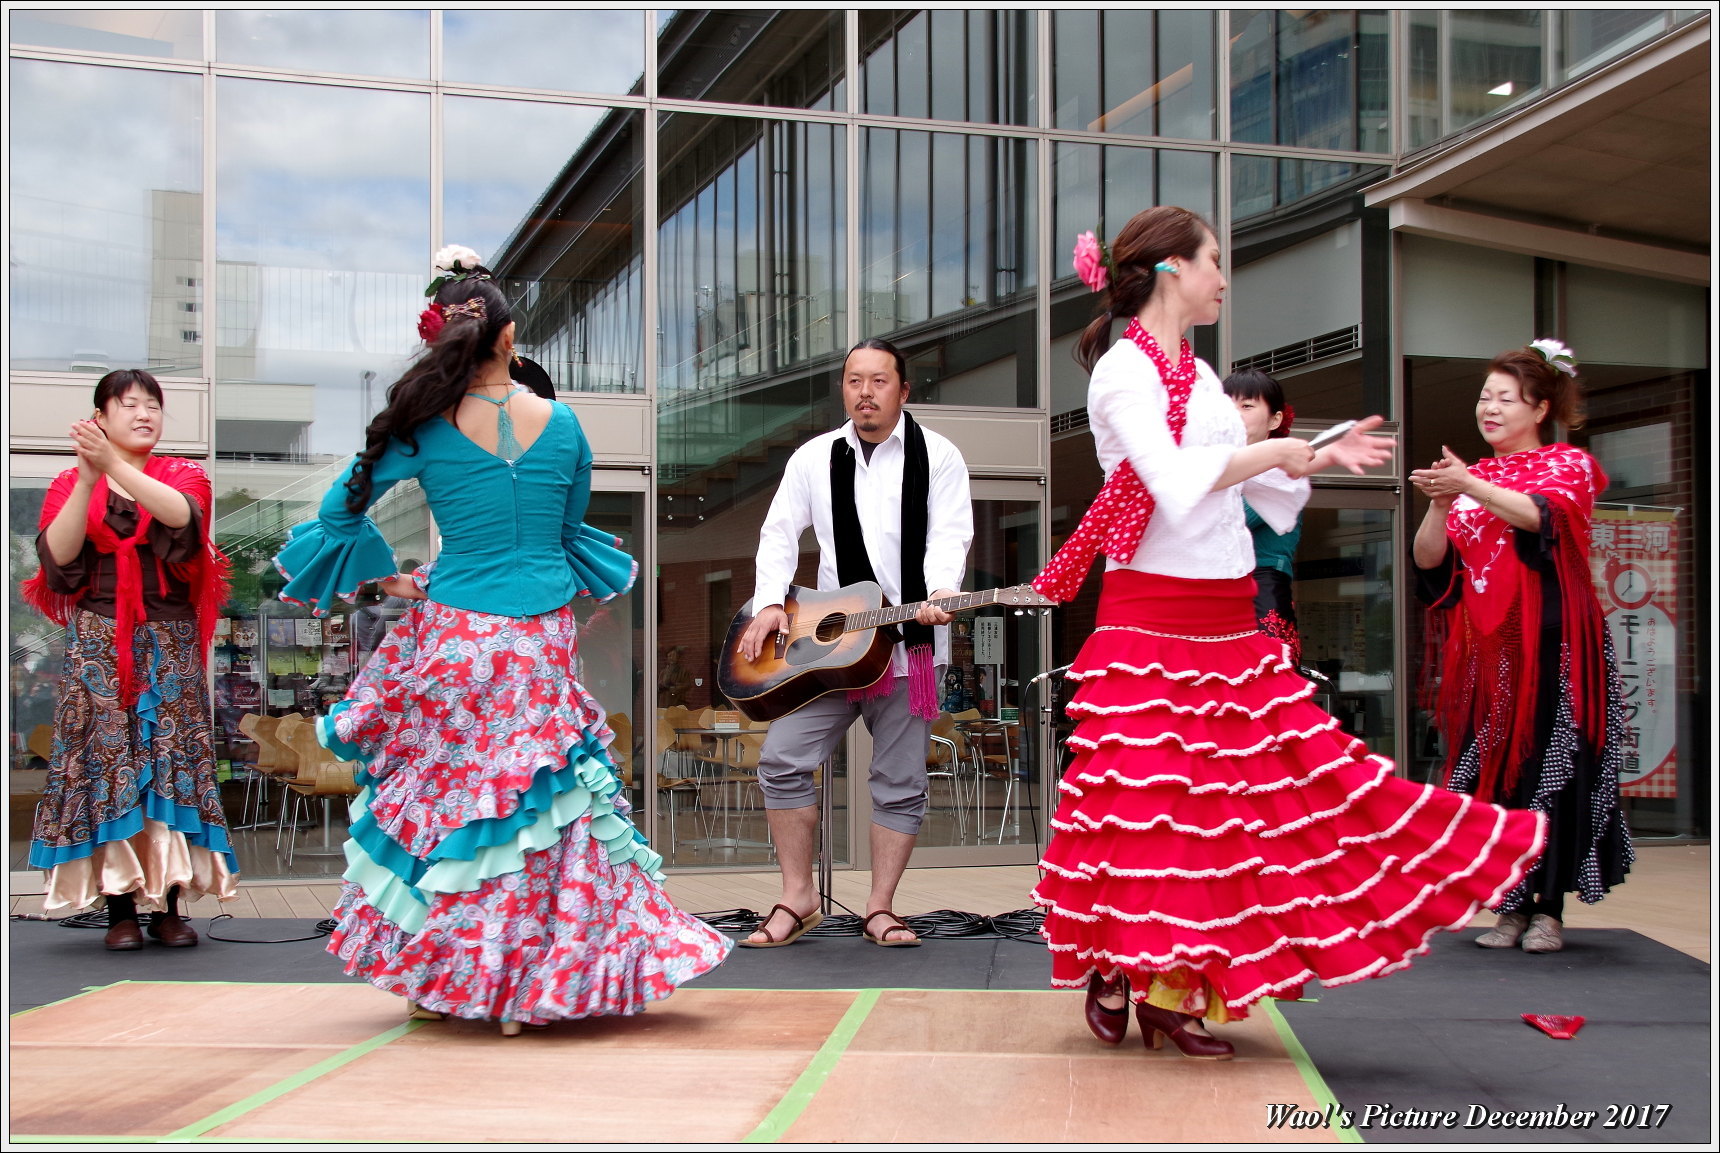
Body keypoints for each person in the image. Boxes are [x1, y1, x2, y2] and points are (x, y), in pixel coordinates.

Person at [1030, 210, 1546, 1060]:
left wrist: (1310, 453)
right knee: (1151, 809)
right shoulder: (1126, 372)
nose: (1224, 278)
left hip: (1228, 609)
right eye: (1214, 262)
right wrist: (1276, 455)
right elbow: (1174, 479)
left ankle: (1169, 983)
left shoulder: (1196, 373)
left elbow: (1241, 483)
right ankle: (1118, 964)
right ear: (1171, 271)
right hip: (1151, 615)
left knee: (1241, 807)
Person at [274, 245, 730, 1033]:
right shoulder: (566, 424)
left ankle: (442, 976)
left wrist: (397, 579)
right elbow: (565, 528)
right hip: (540, 636)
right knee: (537, 808)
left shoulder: (420, 428)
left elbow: (341, 512)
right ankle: (523, 986)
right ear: (511, 336)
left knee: (453, 805)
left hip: (457, 632)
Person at [736, 338, 973, 948]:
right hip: (829, 651)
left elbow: (951, 537)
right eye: (853, 381)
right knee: (782, 761)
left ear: (904, 389)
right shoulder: (814, 458)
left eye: (879, 381)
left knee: (899, 780)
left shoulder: (940, 457)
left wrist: (944, 592)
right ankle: (798, 897)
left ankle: (880, 907)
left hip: (907, 651)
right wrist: (768, 602)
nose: (865, 392)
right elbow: (779, 532)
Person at [1410, 341, 1632, 954]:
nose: (1490, 407)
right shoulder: (1473, 480)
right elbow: (1431, 562)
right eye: (1485, 397)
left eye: (1505, 398)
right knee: (1496, 777)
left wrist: (1469, 485)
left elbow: (1543, 519)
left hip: (1557, 646)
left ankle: (1549, 910)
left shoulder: (1569, 465)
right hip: (1491, 652)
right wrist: (1438, 501)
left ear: (1539, 408)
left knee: (1552, 772)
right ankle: (1508, 904)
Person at [24, 369, 238, 949]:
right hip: (98, 641)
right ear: (101, 417)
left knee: (169, 761)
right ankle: (120, 910)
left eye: (153, 406)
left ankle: (168, 907)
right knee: (107, 763)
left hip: (168, 641)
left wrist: (112, 466)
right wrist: (89, 477)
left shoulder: (183, 475)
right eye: (129, 405)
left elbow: (182, 520)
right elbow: (58, 557)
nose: (144, 414)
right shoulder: (71, 480)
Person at [1222, 368, 1305, 666]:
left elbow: (1227, 521)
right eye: (1226, 406)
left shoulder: (1282, 471)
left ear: (1275, 419)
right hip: (1215, 587)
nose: (1234, 414)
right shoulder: (1211, 466)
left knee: (1266, 684)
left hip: (1261, 586)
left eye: (1246, 406)